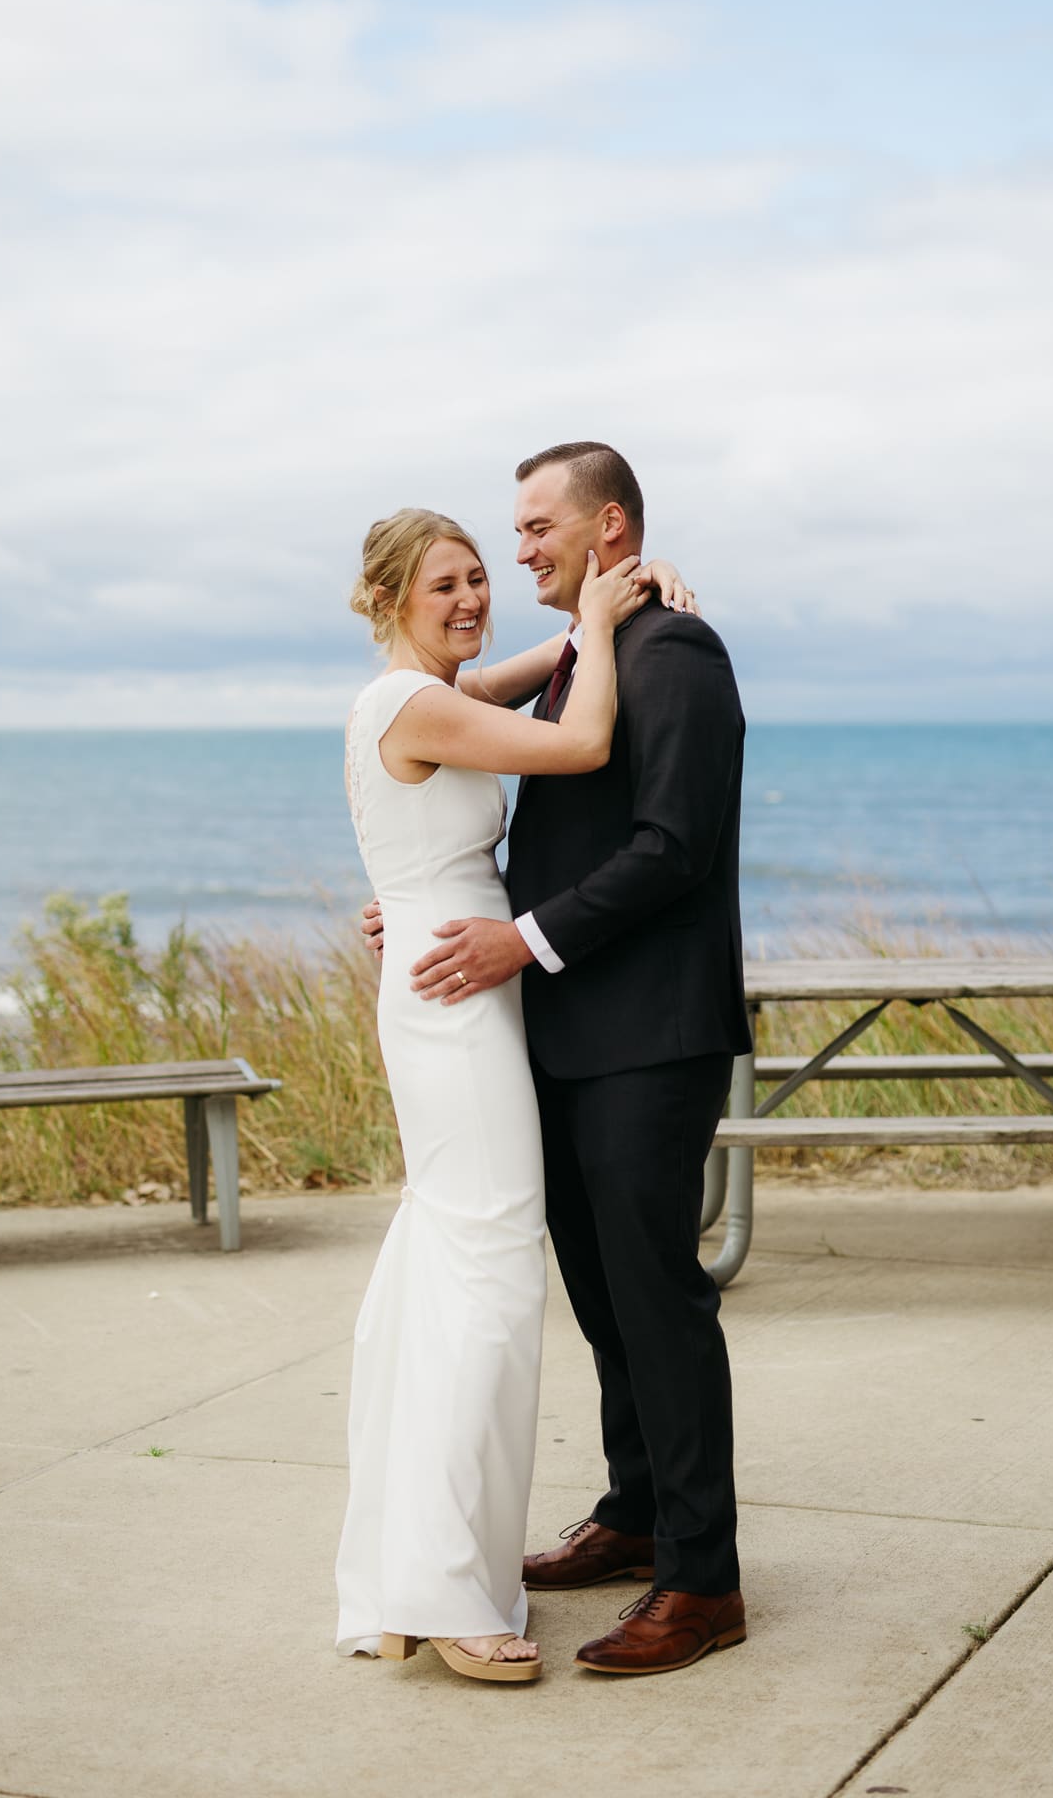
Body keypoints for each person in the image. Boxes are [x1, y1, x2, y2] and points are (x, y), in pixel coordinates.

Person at [403, 443, 752, 1677]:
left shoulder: (679, 655)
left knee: (657, 1296)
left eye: (540, 524)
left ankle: (702, 1581)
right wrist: (440, 903)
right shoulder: (586, 663)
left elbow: (672, 848)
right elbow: (562, 835)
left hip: (652, 1038)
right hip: (566, 1033)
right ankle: (637, 1509)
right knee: (605, 1299)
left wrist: (521, 938)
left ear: (610, 526)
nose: (522, 548)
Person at [335, 504, 691, 1685]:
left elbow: (529, 671)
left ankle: (409, 1574)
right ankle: (442, 1588)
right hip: (456, 994)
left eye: (480, 576)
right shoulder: (414, 702)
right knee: (487, 1273)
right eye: (443, 584)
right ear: (389, 598)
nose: (472, 597)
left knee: (453, 1264)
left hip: (451, 978)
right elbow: (585, 742)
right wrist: (593, 607)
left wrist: (617, 596)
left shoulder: (435, 691)